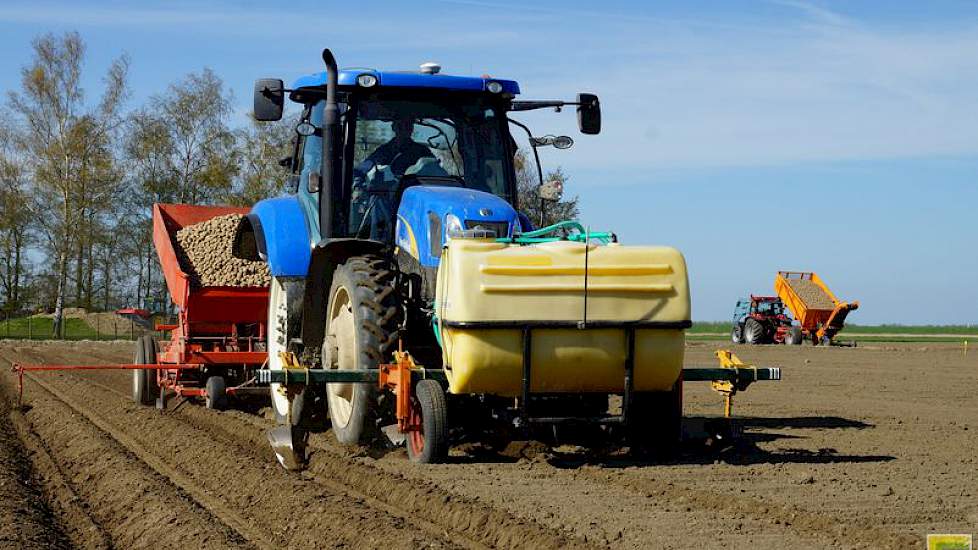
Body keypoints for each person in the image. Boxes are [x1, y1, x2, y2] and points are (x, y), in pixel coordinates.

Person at [364, 118, 435, 175]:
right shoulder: (382, 151)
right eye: (400, 126)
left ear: (412, 129)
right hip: (385, 191)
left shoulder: (422, 151)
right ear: (393, 127)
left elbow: (435, 170)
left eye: (407, 126)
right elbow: (364, 167)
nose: (404, 130)